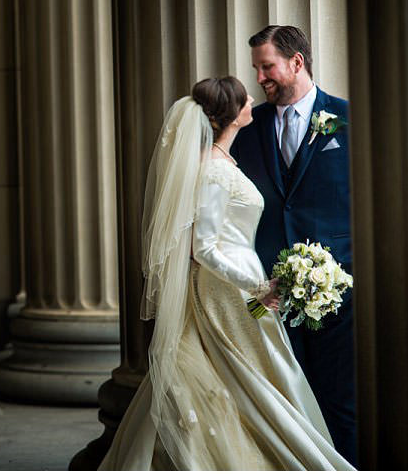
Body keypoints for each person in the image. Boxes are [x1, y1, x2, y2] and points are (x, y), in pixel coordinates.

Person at [98, 77, 353, 470]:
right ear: (233, 116)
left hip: (242, 282)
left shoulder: (226, 160)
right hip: (230, 290)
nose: (253, 96)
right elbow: (203, 249)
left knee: (251, 372)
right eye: (243, 96)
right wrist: (257, 286)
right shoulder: (215, 171)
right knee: (245, 370)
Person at [231, 25, 356, 466]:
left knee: (341, 399)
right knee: (282, 399)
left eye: (267, 67)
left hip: (337, 288)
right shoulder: (247, 126)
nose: (260, 78)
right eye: (257, 69)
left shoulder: (347, 117)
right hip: (266, 294)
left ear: (296, 62)